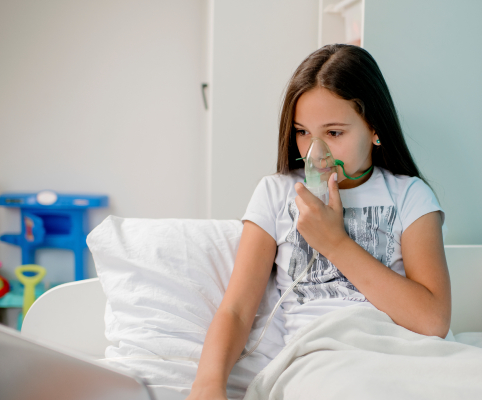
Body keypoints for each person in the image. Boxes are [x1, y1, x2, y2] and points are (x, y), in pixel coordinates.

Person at [187, 44, 451, 400]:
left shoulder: (409, 196)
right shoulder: (276, 194)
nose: (316, 153)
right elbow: (235, 310)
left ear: (375, 129)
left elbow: (433, 320)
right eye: (302, 132)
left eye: (334, 133)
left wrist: (335, 243)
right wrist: (207, 385)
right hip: (319, 363)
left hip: (398, 356)